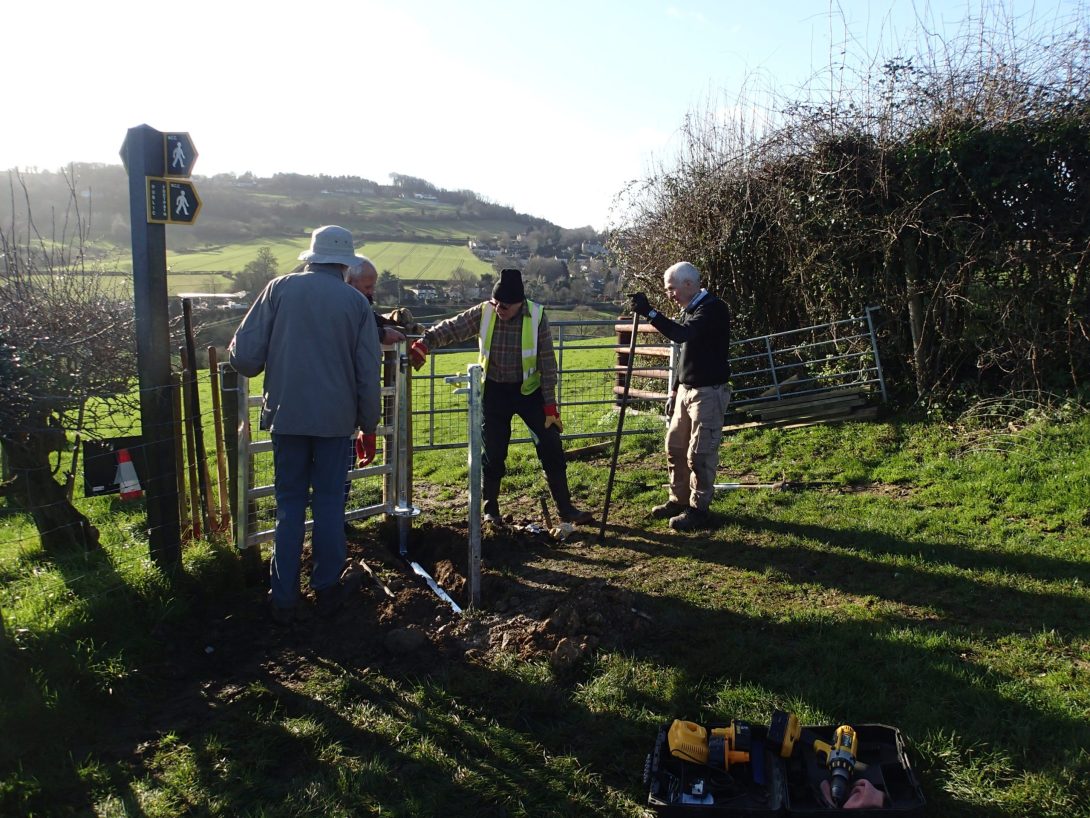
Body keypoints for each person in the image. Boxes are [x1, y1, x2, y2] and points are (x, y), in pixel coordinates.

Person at [229, 225, 381, 622]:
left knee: (289, 504)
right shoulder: (355, 304)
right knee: (330, 503)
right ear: (346, 264)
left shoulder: (278, 289)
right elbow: (368, 372)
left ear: (310, 257)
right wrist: (369, 425)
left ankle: (283, 597)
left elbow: (244, 358)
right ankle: (327, 588)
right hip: (336, 422)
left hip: (287, 416)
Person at [409, 268, 594, 525]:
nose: (499, 309)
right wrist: (424, 343)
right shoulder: (485, 311)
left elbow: (548, 363)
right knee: (493, 452)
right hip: (494, 391)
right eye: (496, 303)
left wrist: (550, 405)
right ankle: (490, 510)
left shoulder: (537, 316)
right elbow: (453, 327)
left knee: (550, 444)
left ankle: (566, 508)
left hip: (529, 392)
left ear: (520, 303)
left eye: (505, 306)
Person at [630, 262, 731, 531]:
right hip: (686, 391)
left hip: (708, 393)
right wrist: (674, 389)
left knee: (700, 454)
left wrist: (650, 312)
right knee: (675, 447)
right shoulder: (691, 310)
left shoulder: (712, 309)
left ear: (688, 284)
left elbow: (681, 335)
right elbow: (686, 354)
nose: (669, 294)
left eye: (671, 289)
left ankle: (699, 510)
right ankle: (678, 499)